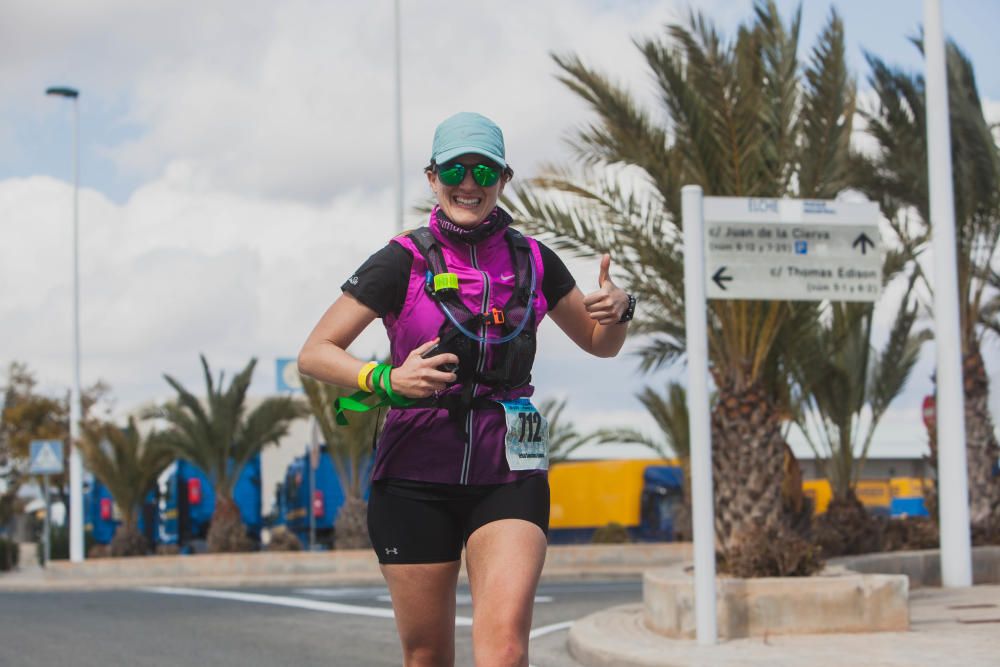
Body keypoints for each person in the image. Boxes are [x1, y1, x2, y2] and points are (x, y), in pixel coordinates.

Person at [298, 111, 634, 667]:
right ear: (433, 178)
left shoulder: (533, 260)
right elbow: (316, 351)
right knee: (427, 654)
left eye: (484, 170)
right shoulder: (400, 260)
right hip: (413, 475)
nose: (470, 184)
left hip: (509, 474)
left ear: (504, 178)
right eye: (456, 169)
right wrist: (384, 378)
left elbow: (600, 343)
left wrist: (620, 310)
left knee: (503, 649)